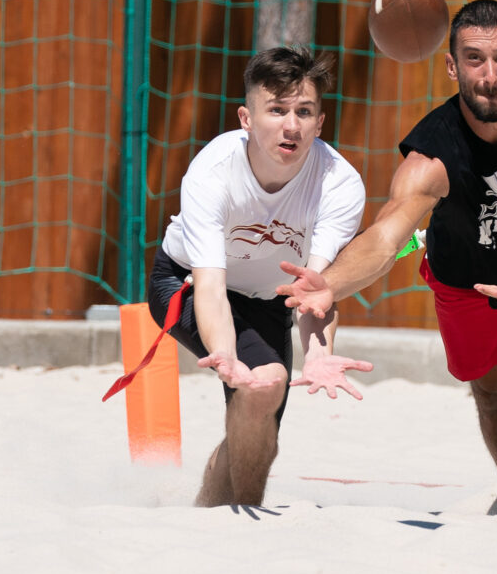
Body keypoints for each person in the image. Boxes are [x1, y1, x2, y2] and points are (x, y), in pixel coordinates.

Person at [277, 0, 497, 515]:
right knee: (493, 393)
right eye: (474, 60)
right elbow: (385, 237)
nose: (490, 76)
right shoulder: (431, 155)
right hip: (467, 281)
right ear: (452, 67)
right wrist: (330, 284)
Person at [146, 46, 372, 507]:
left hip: (272, 297)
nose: (292, 126)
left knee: (259, 423)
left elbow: (315, 290)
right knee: (262, 383)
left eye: (304, 111)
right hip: (189, 284)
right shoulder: (212, 173)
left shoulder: (340, 184)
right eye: (277, 110)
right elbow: (210, 287)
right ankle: (238, 517)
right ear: (246, 119)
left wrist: (318, 352)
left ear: (320, 123)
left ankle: (215, 512)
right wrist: (225, 352)